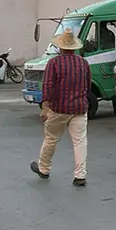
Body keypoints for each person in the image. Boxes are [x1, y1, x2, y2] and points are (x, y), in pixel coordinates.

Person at [30, 28, 91, 186]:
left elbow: (48, 85)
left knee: (51, 138)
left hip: (59, 108)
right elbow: (87, 86)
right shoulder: (83, 63)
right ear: (74, 47)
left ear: (60, 47)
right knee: (80, 142)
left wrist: (45, 107)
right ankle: (80, 175)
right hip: (79, 108)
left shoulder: (54, 63)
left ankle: (44, 168)